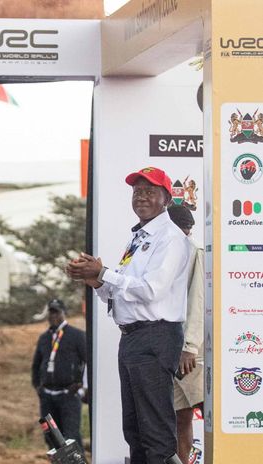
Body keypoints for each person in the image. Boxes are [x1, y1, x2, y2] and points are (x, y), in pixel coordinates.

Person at [66, 166, 191, 464]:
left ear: (166, 198)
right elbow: (121, 292)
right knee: (134, 430)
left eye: (150, 191)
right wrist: (96, 281)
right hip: (133, 338)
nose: (141, 197)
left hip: (156, 336)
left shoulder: (171, 238)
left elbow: (151, 290)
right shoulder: (137, 238)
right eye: (137, 192)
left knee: (156, 433)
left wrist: (105, 273)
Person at [166, 205, 204, 461]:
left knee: (207, 410)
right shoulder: (167, 252)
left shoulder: (194, 251)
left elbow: (198, 298)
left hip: (191, 352)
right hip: (170, 346)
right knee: (181, 418)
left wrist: (190, 346)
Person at [31, 298, 86, 450]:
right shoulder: (44, 338)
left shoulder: (77, 336)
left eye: (56, 312)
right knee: (51, 438)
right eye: (50, 313)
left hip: (68, 395)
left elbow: (88, 361)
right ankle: (57, 460)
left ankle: (77, 460)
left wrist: (82, 386)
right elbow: (36, 365)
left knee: (71, 438)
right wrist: (38, 387)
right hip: (47, 396)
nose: (53, 316)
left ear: (64, 313)